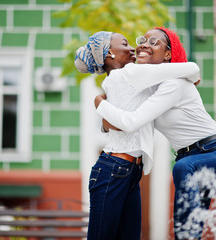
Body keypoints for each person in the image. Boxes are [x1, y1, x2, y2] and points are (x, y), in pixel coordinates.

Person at [94, 27, 216, 240]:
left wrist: (99, 103)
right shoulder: (146, 88)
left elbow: (131, 121)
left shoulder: (175, 84)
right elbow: (121, 118)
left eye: (154, 42)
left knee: (182, 169)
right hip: (190, 161)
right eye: (143, 40)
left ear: (168, 54)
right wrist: (105, 124)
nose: (144, 44)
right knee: (192, 225)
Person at [74, 31, 200, 240]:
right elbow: (192, 68)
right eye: (124, 44)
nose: (132, 47)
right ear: (110, 54)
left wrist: (101, 106)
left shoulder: (117, 80)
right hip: (114, 169)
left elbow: (110, 124)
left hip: (129, 171)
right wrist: (189, 76)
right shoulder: (130, 73)